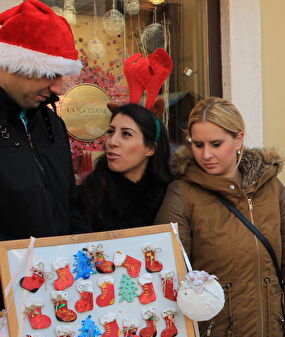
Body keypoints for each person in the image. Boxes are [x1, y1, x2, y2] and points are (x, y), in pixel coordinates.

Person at [154, 97, 285, 337]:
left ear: (238, 138)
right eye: (197, 145)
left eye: (216, 144)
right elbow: (165, 274)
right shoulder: (183, 193)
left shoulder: (271, 188)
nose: (205, 154)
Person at [0, 0, 88, 239]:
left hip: (58, 269)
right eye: (50, 74)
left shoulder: (51, 124)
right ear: (12, 64)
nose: (59, 88)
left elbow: (69, 204)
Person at [78, 103, 171, 231]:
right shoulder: (89, 193)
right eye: (111, 132)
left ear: (150, 148)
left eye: (126, 134)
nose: (112, 142)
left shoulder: (170, 196)